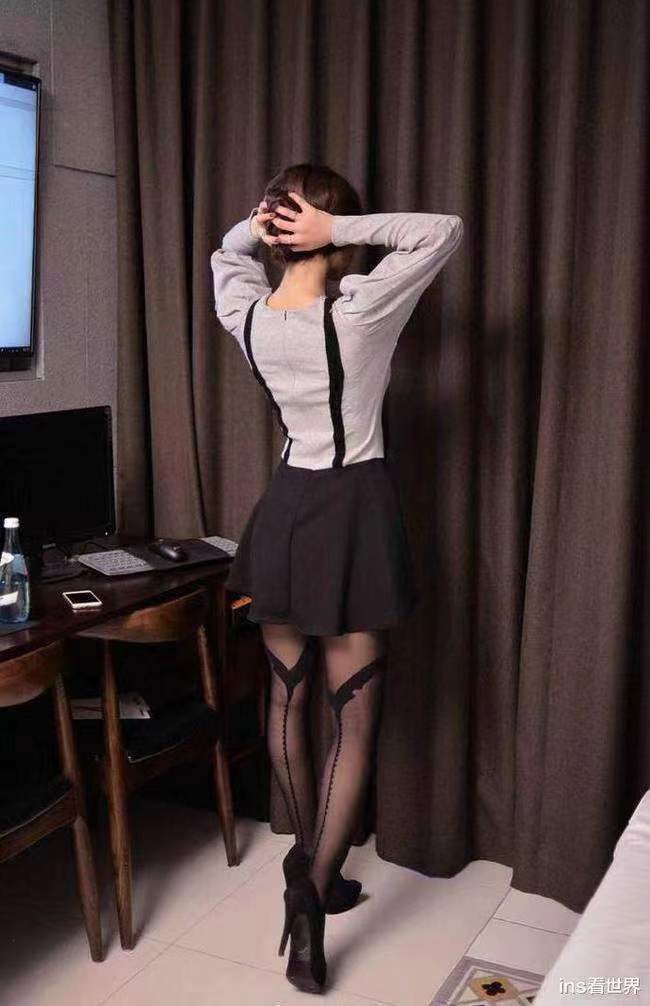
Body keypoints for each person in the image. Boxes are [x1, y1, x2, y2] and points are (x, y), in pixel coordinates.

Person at [210, 164, 463, 994]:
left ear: (276, 228)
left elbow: (224, 253)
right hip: (353, 513)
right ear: (330, 230)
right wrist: (337, 231)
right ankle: (314, 890)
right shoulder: (360, 311)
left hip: (283, 514)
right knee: (352, 720)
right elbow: (442, 231)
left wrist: (264, 227)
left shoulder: (246, 313)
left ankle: (304, 862)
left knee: (285, 700)